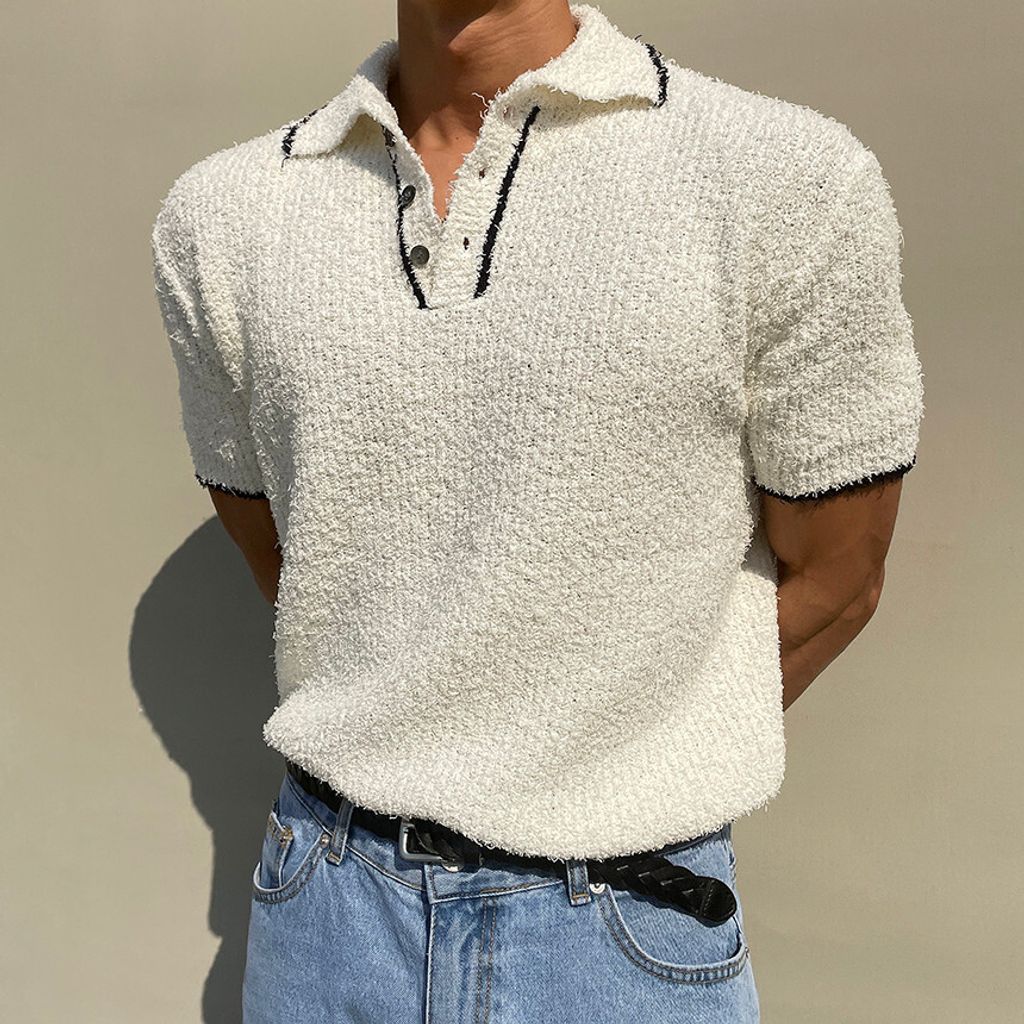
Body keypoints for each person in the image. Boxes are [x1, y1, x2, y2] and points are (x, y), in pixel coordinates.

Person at [150, 2, 925, 1020]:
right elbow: (293, 561)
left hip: (619, 927)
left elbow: (839, 575)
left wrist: (602, 753)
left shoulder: (786, 179)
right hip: (327, 917)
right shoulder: (224, 216)